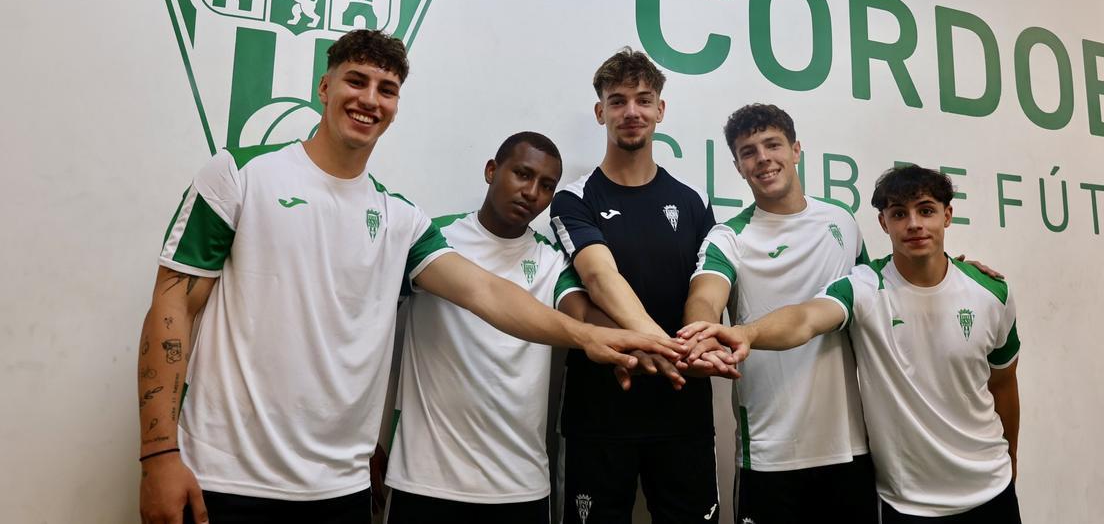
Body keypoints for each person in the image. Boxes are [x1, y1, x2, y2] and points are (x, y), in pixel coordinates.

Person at [136, 30, 683, 524]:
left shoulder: (401, 220)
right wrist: (159, 454)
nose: (370, 99)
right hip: (224, 478)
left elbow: (487, 292)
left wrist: (596, 337)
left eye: (387, 89)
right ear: (324, 88)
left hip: (341, 491)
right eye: (357, 81)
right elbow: (173, 308)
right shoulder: (238, 174)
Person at [683, 165, 1022, 523]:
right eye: (898, 214)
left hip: (991, 490)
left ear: (947, 215)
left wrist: (1011, 466)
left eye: (926, 210)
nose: (914, 224)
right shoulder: (863, 287)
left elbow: (1003, 385)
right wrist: (747, 334)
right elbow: (804, 319)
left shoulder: (991, 292)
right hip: (906, 504)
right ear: (883, 223)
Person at [384, 131, 601, 523]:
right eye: (521, 174)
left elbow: (584, 319)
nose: (531, 192)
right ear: (491, 170)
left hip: (520, 485)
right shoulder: (434, 238)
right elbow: (370, 332)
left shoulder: (551, 260)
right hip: (425, 479)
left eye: (546, 185)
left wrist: (648, 341)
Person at [549, 47, 725, 524]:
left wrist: (682, 347)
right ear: (600, 111)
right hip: (599, 417)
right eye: (618, 100)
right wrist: (664, 346)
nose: (631, 112)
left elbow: (706, 292)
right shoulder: (574, 196)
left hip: (682, 413)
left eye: (644, 100)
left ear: (660, 110)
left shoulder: (691, 201)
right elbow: (599, 277)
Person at [682, 103, 876, 524]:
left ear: (796, 150)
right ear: (737, 166)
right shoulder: (730, 235)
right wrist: (701, 330)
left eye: (773, 145)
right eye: (749, 151)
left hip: (851, 447)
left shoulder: (842, 221)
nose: (763, 158)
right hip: (769, 455)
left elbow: (875, 296)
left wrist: (954, 268)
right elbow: (705, 294)